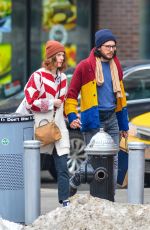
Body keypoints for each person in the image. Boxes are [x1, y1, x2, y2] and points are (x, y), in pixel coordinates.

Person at [64, 29, 129, 197]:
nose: (112, 50)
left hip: (112, 118)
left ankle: (110, 198)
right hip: (93, 120)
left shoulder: (117, 66)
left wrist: (123, 125)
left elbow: (121, 98)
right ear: (99, 47)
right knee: (93, 160)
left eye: (114, 46)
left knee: (113, 160)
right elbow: (71, 94)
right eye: (108, 46)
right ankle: (75, 181)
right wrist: (71, 116)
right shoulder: (85, 67)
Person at [24, 40, 70, 207]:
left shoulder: (64, 78)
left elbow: (63, 104)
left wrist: (72, 117)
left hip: (58, 128)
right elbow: (30, 102)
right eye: (58, 54)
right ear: (50, 57)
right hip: (41, 129)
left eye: (63, 55)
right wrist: (51, 103)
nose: (61, 57)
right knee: (34, 169)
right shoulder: (37, 77)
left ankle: (65, 201)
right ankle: (29, 202)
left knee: (63, 167)